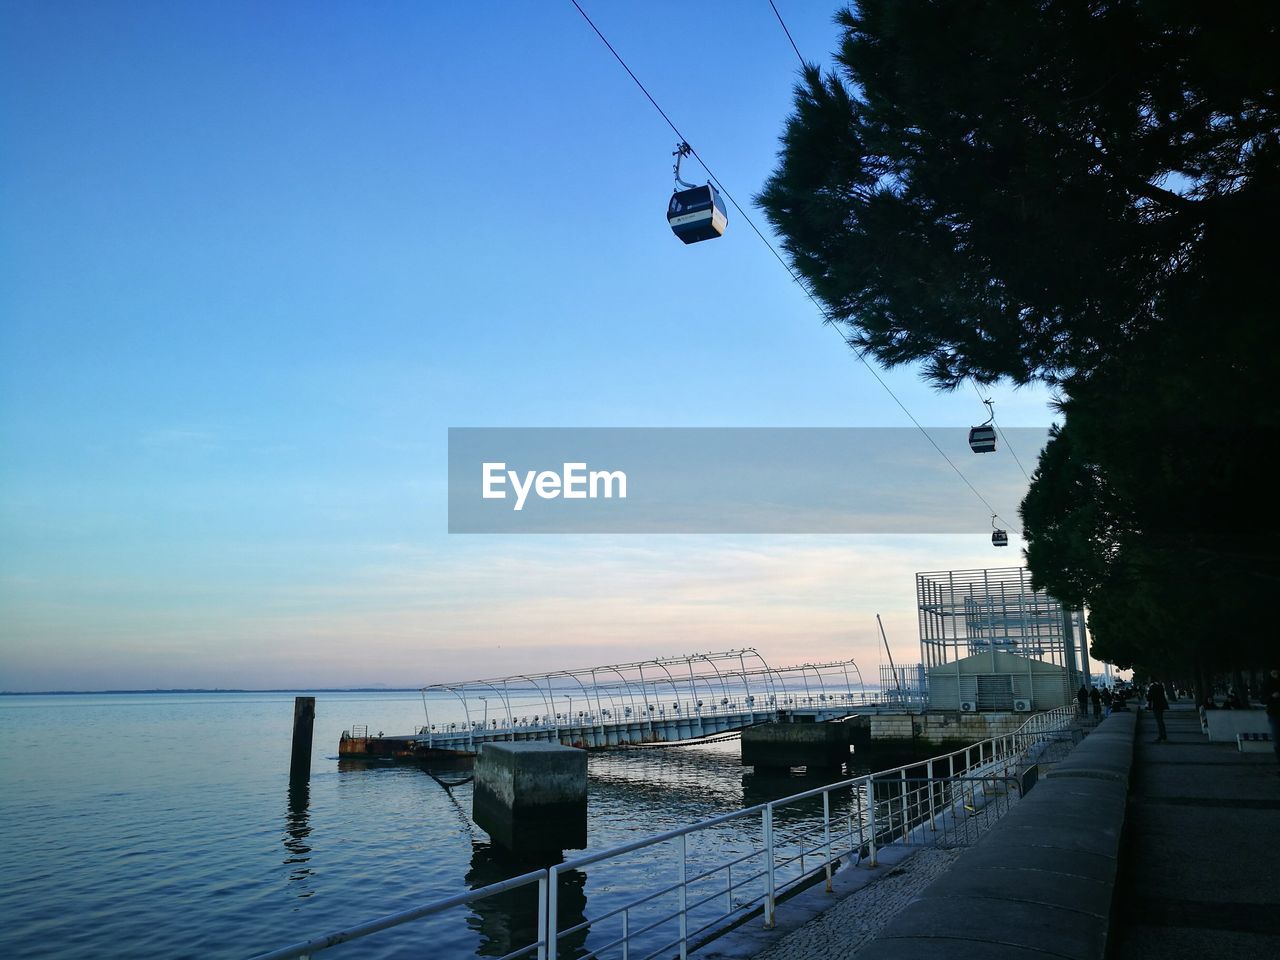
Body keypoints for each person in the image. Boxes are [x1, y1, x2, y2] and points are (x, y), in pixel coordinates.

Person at [1261, 668, 1280, 772]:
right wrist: (1272, 696)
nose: (1276, 675)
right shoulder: (1267, 684)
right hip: (1274, 715)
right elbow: (1262, 700)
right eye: (1274, 673)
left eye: (1277, 673)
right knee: (1277, 742)